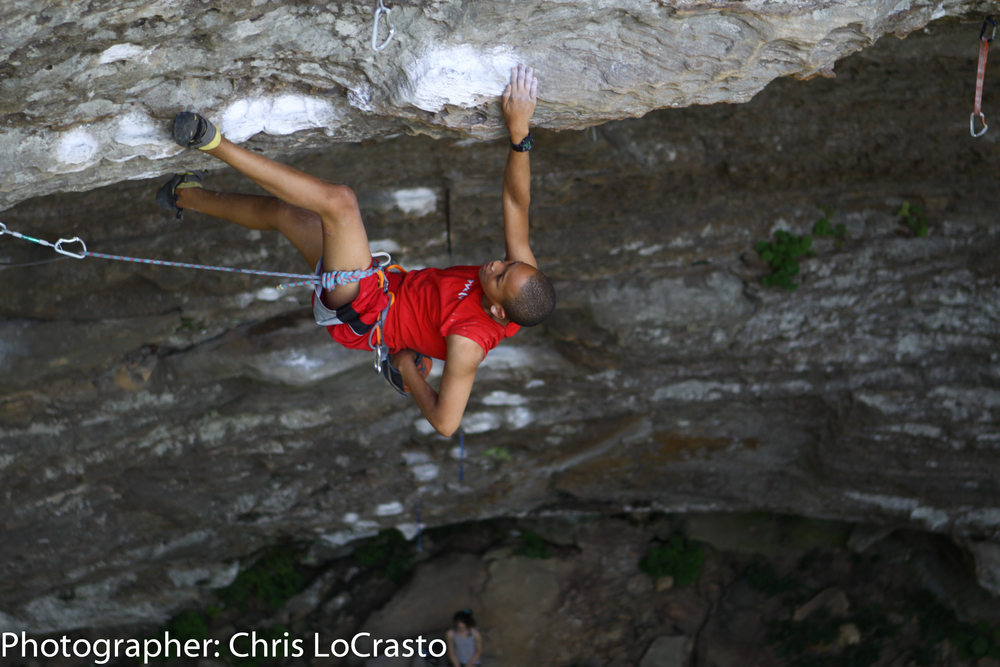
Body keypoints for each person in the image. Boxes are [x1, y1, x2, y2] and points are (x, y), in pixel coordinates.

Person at [156, 64, 554, 437]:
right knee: (285, 214)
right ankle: (184, 195)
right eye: (509, 263)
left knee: (340, 203)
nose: (497, 264)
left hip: (361, 310)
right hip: (379, 286)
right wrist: (520, 134)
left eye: (499, 275)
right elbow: (518, 204)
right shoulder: (522, 283)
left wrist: (406, 369)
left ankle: (210, 141)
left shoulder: (469, 343)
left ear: (499, 311)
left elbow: (446, 423)